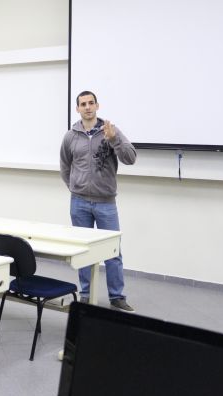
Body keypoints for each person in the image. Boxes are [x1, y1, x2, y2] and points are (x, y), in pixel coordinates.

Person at [60, 90, 137, 312]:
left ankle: (117, 296)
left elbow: (130, 158)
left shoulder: (110, 131)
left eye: (91, 103)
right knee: (83, 251)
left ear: (97, 106)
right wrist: (75, 187)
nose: (87, 107)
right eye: (83, 104)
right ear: (77, 108)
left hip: (106, 203)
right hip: (79, 203)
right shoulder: (70, 136)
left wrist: (113, 139)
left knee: (113, 252)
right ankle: (85, 294)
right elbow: (65, 166)